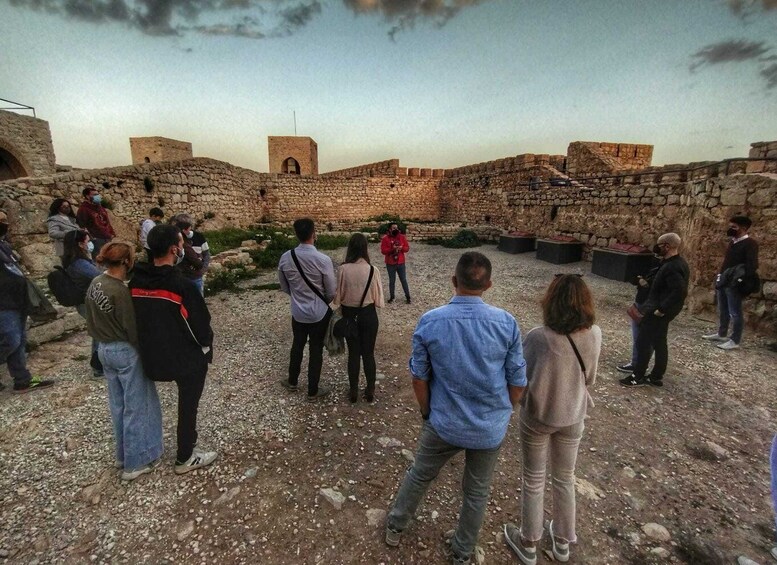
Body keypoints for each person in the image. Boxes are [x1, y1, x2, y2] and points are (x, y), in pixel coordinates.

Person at [385, 252, 527, 565]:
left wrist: (426, 412)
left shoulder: (431, 321)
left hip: (443, 422)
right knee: (476, 493)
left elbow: (419, 377)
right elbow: (518, 381)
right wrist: (503, 412)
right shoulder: (507, 323)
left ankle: (396, 525)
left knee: (420, 474)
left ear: (454, 281)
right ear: (488, 285)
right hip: (488, 428)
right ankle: (462, 552)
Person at [503, 274, 602, 565]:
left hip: (539, 415)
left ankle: (528, 542)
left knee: (534, 479)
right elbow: (591, 379)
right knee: (565, 478)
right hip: (573, 413)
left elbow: (522, 378)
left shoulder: (539, 337)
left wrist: (515, 401)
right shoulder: (595, 333)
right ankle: (562, 542)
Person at [129, 224, 218, 474]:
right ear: (173, 249)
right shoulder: (182, 286)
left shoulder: (136, 281)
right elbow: (200, 325)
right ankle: (185, 456)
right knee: (188, 405)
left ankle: (138, 452)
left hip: (150, 357)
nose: (182, 247)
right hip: (183, 358)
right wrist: (206, 348)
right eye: (180, 243)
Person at [85, 241, 164, 481]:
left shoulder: (95, 283)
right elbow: (132, 328)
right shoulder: (119, 291)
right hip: (123, 351)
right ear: (127, 262)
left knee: (118, 404)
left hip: (104, 349)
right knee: (137, 405)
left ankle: (122, 455)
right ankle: (135, 461)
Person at [277, 218, 337, 400]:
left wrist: (297, 297)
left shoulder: (286, 258)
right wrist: (323, 301)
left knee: (297, 344)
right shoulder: (323, 260)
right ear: (314, 234)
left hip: (298, 312)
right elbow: (331, 291)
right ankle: (313, 390)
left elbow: (284, 286)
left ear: (296, 234)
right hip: (318, 313)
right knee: (316, 350)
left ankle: (292, 381)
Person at [620, 233, 689, 388]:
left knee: (643, 342)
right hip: (660, 309)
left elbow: (679, 291)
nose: (657, 247)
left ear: (667, 246)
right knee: (659, 342)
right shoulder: (675, 263)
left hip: (657, 311)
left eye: (659, 244)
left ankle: (637, 376)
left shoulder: (672, 266)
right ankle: (656, 376)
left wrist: (661, 309)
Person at [0, 210, 55, 393]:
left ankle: (22, 380)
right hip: (3, 303)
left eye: (5, 220)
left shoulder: (4, 246)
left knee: (20, 341)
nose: (5, 225)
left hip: (18, 301)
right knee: (11, 340)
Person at [331, 233, 385, 403]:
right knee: (368, 353)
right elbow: (379, 300)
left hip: (349, 315)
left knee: (354, 354)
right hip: (368, 314)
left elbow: (337, 298)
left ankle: (353, 391)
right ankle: (370, 390)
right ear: (365, 248)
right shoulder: (372, 270)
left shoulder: (343, 269)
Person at [702, 215, 759, 351]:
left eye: (734, 227)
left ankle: (735, 340)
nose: (731, 229)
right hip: (724, 280)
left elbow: (751, 265)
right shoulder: (733, 242)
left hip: (735, 283)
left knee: (735, 312)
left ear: (743, 228)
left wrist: (740, 281)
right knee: (723, 309)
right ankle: (722, 333)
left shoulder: (750, 244)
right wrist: (720, 276)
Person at [62, 229, 103, 378]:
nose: (90, 244)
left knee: (98, 331)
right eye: (87, 241)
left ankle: (99, 364)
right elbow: (98, 276)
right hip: (87, 302)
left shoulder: (78, 260)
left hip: (87, 301)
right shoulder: (79, 263)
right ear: (80, 244)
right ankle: (98, 367)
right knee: (100, 332)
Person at [616, 256, 660, 374]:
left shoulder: (668, 266)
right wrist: (639, 279)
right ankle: (638, 363)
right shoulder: (650, 262)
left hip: (651, 304)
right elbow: (632, 275)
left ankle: (639, 364)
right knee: (639, 335)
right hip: (642, 302)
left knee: (644, 337)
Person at [172, 213, 209, 296]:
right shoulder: (176, 240)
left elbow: (206, 254)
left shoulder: (199, 237)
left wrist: (203, 270)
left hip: (195, 276)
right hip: (184, 276)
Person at [76, 185, 115, 255]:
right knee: (98, 259)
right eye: (95, 195)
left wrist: (111, 233)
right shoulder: (83, 209)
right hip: (96, 240)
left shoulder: (100, 207)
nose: (97, 196)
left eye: (98, 194)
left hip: (107, 237)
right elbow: (81, 226)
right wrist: (91, 239)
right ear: (87, 196)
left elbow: (107, 221)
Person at [380, 223, 411, 304]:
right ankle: (392, 297)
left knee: (403, 280)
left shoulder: (402, 237)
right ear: (390, 229)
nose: (395, 229)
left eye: (396, 228)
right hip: (390, 263)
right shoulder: (385, 239)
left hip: (401, 262)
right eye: (393, 228)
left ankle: (408, 297)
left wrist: (402, 248)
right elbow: (383, 251)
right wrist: (392, 249)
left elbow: (407, 248)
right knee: (392, 281)